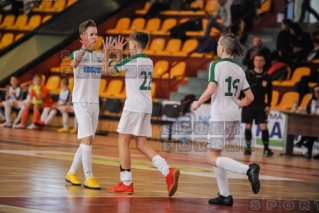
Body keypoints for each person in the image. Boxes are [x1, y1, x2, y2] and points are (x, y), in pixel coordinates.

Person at [103, 31, 180, 197]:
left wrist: (107, 53)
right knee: (141, 144)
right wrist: (118, 54)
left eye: (129, 44)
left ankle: (126, 182)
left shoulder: (131, 60)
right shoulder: (149, 61)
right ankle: (168, 171)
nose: (128, 46)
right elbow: (126, 67)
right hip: (146, 105)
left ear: (134, 45)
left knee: (123, 142)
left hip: (133, 106)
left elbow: (107, 71)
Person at [192, 33, 260, 206]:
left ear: (222, 48)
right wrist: (237, 103)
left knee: (211, 158)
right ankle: (225, 195)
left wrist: (198, 102)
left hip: (220, 116)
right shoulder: (239, 69)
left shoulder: (216, 64)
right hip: (233, 116)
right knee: (217, 154)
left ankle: (248, 170)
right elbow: (250, 98)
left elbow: (211, 89)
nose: (216, 47)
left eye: (217, 44)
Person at [64, 20, 125, 190]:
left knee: (87, 139)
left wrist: (117, 54)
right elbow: (74, 64)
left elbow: (113, 70)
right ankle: (89, 176)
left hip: (94, 102)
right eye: (91, 34)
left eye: (96, 34)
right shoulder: (76, 53)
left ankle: (71, 172)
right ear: (83, 36)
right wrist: (84, 48)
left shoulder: (98, 55)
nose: (95, 37)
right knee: (88, 137)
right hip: (80, 101)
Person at [241, 54, 274, 157]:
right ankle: (248, 148)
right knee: (248, 125)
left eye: (260, 60)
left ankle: (266, 148)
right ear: (254, 62)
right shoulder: (248, 74)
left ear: (264, 63)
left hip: (261, 104)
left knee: (264, 126)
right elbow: (244, 86)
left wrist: (268, 105)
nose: (258, 62)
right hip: (249, 103)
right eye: (256, 60)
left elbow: (269, 91)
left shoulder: (267, 76)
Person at [295, 85, 319, 160]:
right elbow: (308, 111)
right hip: (313, 123)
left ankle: (303, 143)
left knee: (313, 130)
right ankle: (306, 147)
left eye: (318, 91)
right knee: (311, 129)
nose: (317, 93)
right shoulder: (312, 101)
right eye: (315, 91)